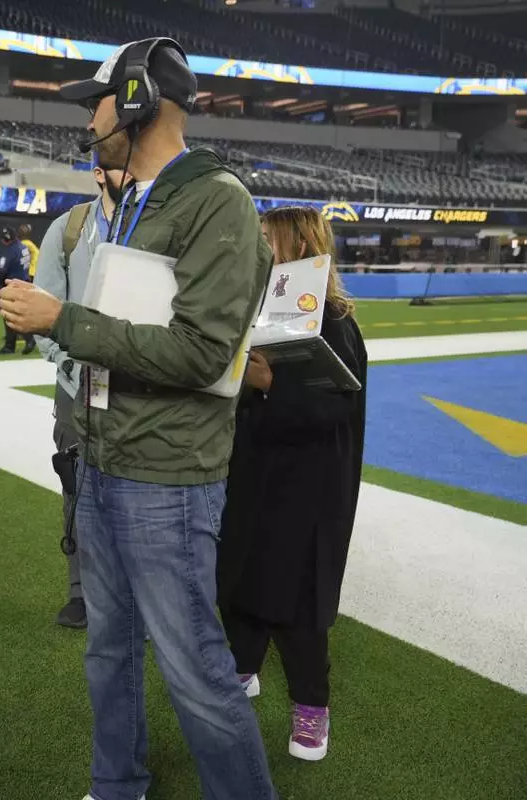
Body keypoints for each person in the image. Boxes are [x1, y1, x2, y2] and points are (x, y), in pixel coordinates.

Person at [0, 38, 278, 800]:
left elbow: (201, 354)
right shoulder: (128, 202)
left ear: (134, 100)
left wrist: (64, 319)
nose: (87, 118)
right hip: (102, 463)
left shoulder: (217, 198)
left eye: (95, 100)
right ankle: (116, 784)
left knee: (195, 670)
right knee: (108, 653)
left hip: (168, 479)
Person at [217, 206, 368, 763]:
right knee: (239, 575)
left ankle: (312, 708)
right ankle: (244, 665)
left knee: (298, 600)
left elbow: (330, 413)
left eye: (266, 240)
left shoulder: (332, 320)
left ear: (295, 243)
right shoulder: (261, 308)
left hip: (307, 486)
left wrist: (265, 382)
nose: (258, 250)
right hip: (255, 471)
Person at [33, 164, 127, 630]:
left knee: (138, 492)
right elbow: (42, 312)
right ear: (97, 173)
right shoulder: (67, 231)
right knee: (77, 488)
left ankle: (133, 597)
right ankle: (81, 593)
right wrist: (75, 363)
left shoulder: (153, 225)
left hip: (140, 385)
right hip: (78, 384)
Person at [0, 227, 35, 356]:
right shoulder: (23, 247)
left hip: (12, 286)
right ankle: (25, 340)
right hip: (24, 283)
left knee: (10, 316)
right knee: (18, 315)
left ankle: (19, 342)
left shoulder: (9, 252)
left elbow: (1, 272)